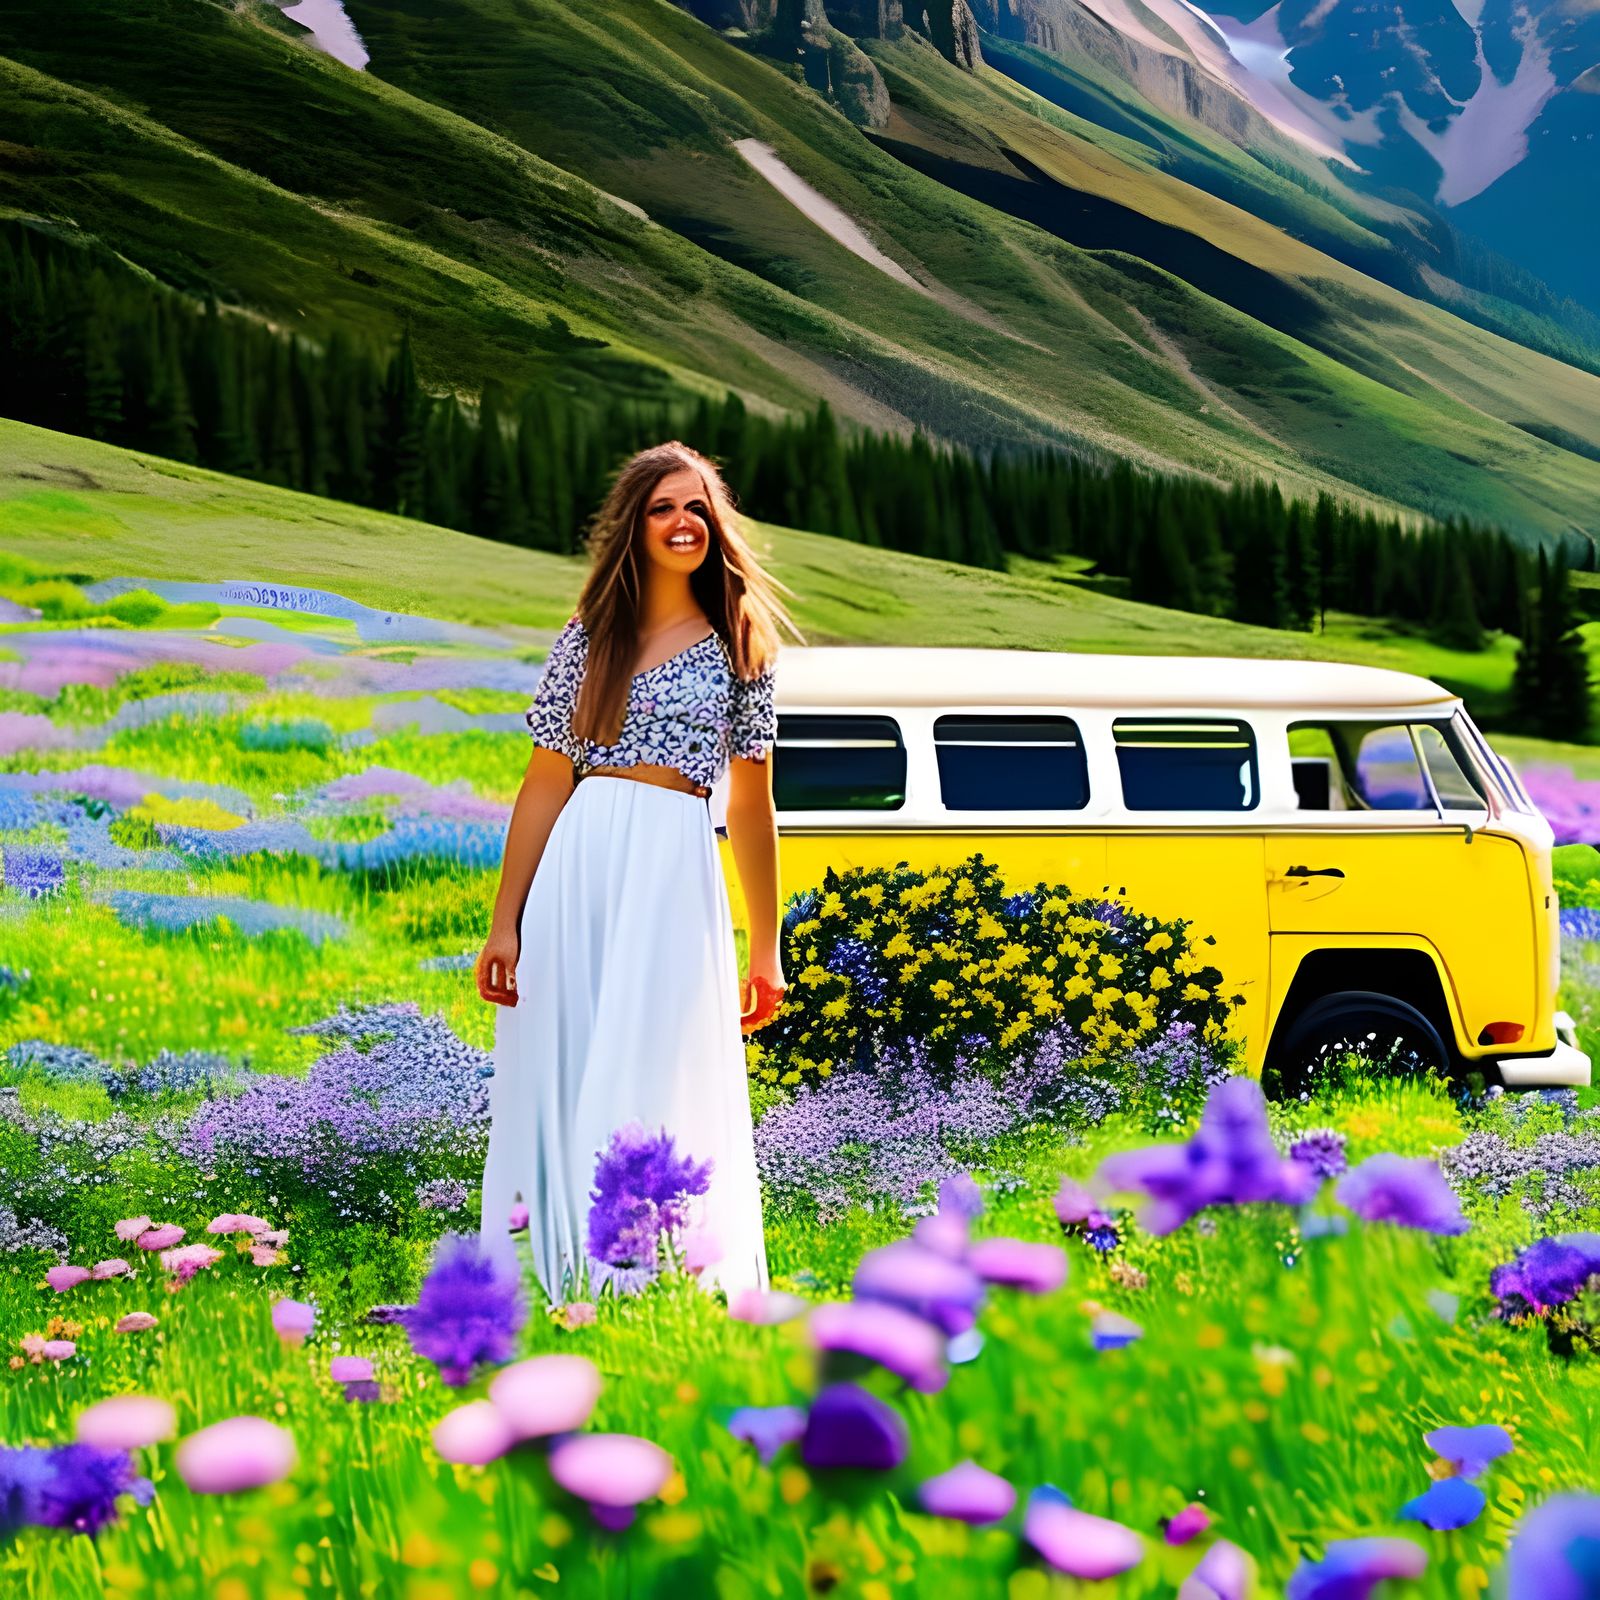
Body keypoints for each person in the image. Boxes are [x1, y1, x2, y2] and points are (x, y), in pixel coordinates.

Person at [474, 440, 800, 1305]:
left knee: (655, 1055)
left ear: (716, 525)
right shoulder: (589, 637)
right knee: (568, 1058)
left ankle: (647, 1278)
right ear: (634, 524)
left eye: (698, 507)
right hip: (580, 862)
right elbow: (546, 781)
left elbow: (751, 806)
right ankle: (564, 1282)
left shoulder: (741, 641)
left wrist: (765, 945)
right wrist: (506, 920)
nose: (682, 522)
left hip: (672, 866)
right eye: (663, 507)